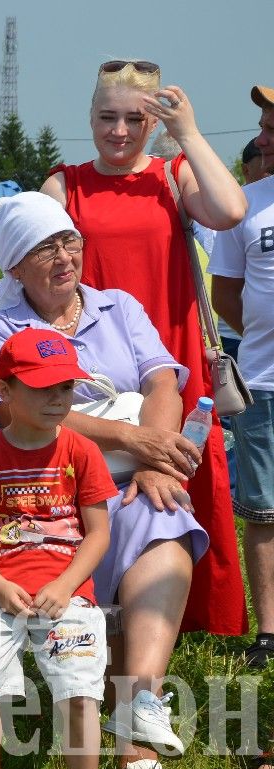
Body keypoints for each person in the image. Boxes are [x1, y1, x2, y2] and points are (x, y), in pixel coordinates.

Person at [0, 191, 209, 769]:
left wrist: (156, 461)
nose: (63, 256)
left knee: (165, 518)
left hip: (131, 481)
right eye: (43, 248)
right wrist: (135, 440)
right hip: (45, 495)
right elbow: (16, 412)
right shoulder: (0, 326)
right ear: (14, 265)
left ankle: (138, 719)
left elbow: (164, 383)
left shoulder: (120, 307)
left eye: (69, 241)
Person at [41, 59, 247, 640]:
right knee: (87, 474)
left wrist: (190, 135)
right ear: (89, 117)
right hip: (89, 353)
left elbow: (231, 211)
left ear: (154, 122)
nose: (120, 131)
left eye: (136, 118)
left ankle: (187, 618)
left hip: (168, 350)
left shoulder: (173, 173)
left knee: (179, 474)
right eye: (107, 116)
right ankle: (90, 605)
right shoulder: (65, 183)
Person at [0, 327, 114, 769]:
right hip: (0, 592)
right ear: (4, 390)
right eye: (44, 389)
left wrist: (66, 586)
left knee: (80, 692)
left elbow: (98, 533)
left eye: (66, 388)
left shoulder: (81, 451)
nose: (58, 400)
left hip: (68, 594)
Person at [209, 85, 274, 672]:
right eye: (264, 126)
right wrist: (262, 331)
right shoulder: (246, 203)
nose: (263, 138)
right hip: (264, 381)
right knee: (264, 511)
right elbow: (224, 290)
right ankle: (269, 633)